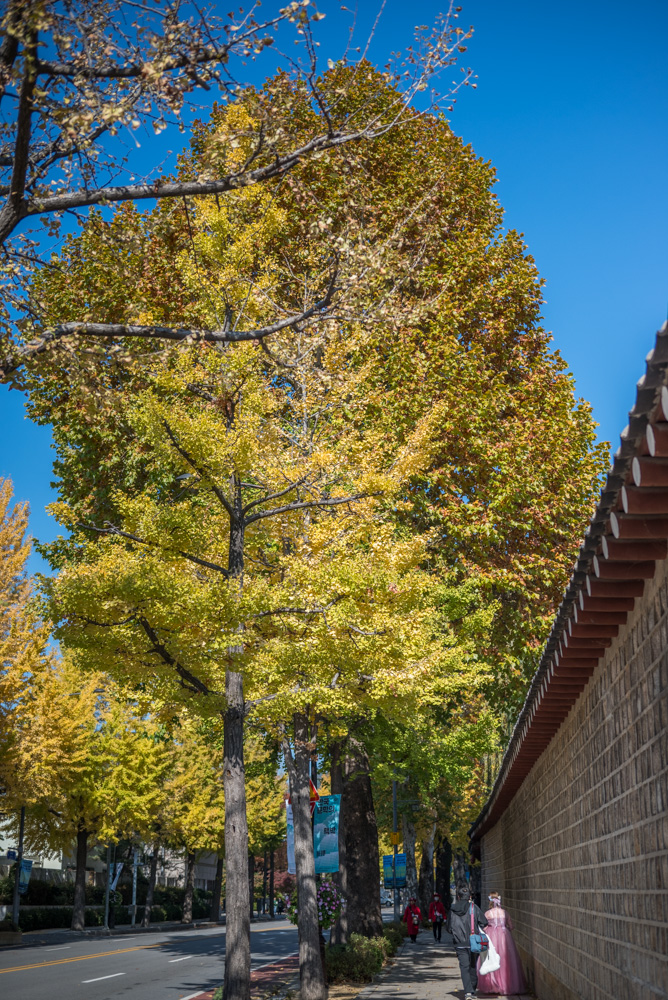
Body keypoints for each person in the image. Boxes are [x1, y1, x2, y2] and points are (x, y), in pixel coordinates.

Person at [476, 891, 526, 996]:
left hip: (491, 937)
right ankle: (505, 984)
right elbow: (511, 927)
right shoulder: (505, 913)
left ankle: (492, 985)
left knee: (490, 959)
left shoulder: (487, 913)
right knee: (506, 959)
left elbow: (483, 927)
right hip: (504, 936)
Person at [446, 884, 488, 1000]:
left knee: (464, 967)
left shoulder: (452, 910)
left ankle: (468, 992)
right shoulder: (474, 908)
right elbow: (484, 922)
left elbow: (448, 928)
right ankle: (472, 989)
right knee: (473, 965)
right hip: (473, 941)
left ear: (458, 896)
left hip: (459, 943)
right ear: (469, 896)